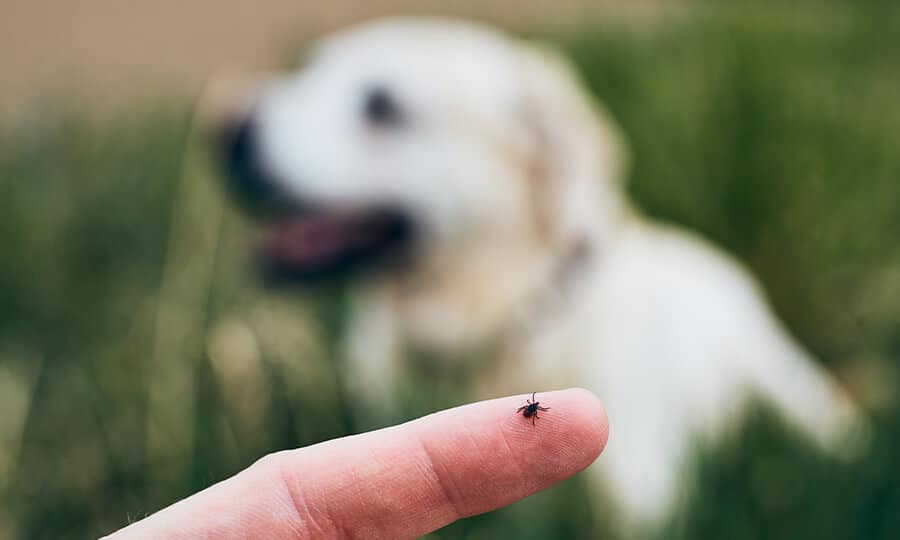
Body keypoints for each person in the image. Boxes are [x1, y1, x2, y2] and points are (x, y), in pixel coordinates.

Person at [103, 389, 607, 538]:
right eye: (533, 409)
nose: (532, 411)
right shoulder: (531, 414)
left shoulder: (531, 411)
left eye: (533, 409)